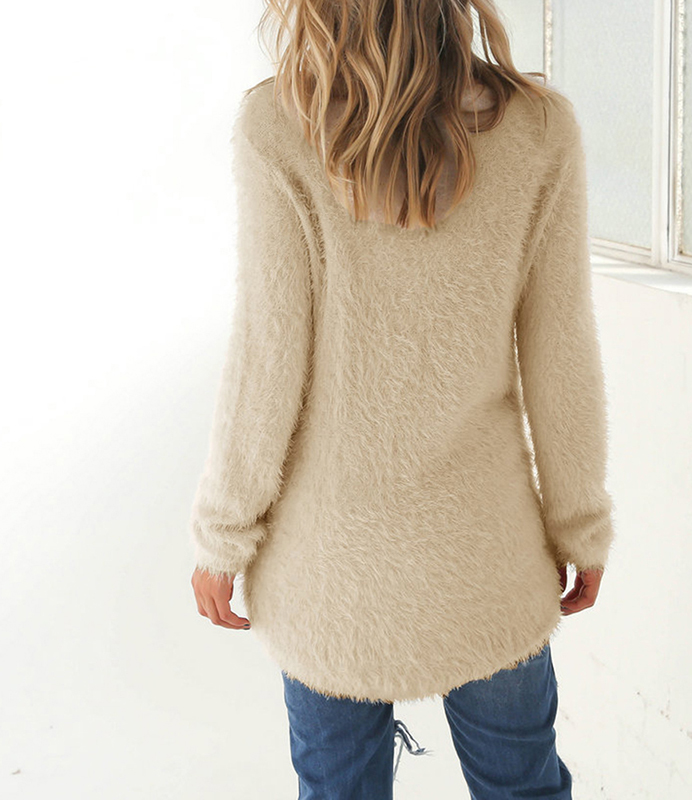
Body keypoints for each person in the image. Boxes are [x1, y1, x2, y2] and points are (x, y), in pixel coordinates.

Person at [188, 0, 615, 797]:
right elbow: (561, 349)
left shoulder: (280, 123)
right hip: (487, 560)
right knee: (522, 787)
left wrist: (224, 538)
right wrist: (578, 524)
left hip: (328, 571)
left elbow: (267, 357)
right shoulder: (538, 129)